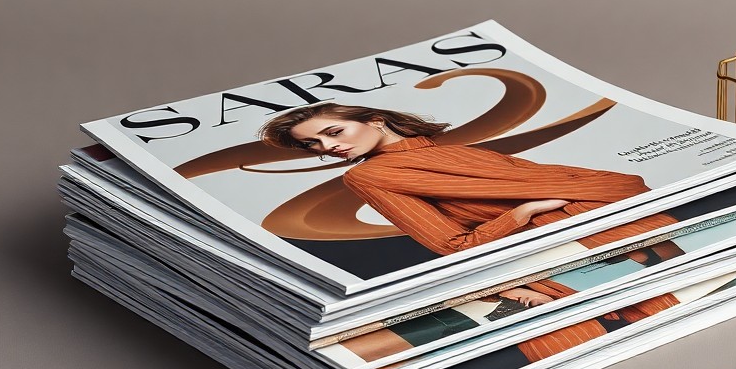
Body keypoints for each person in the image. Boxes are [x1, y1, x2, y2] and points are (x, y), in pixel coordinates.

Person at [258, 103, 682, 313]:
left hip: (619, 219)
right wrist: (524, 211)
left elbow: (610, 181)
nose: (329, 147)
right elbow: (453, 244)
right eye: (314, 144)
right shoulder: (366, 175)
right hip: (566, 243)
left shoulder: (458, 153)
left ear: (374, 120)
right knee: (667, 307)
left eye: (334, 132)